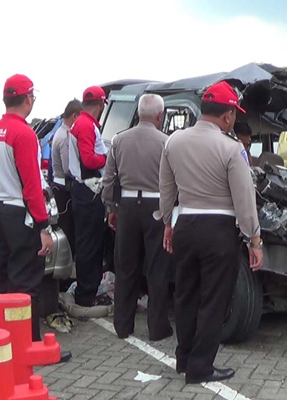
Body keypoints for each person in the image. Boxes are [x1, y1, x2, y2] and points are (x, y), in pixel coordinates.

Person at [159, 81, 263, 384]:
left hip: (186, 225)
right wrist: (254, 239)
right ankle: (201, 367)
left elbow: (166, 188)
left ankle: (184, 357)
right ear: (229, 116)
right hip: (218, 230)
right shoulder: (231, 148)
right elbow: (245, 199)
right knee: (214, 300)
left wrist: (168, 222)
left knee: (186, 295)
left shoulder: (174, 141)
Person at [0, 75, 72, 362]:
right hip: (20, 214)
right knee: (25, 284)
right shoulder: (24, 134)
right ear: (28, 99)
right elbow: (32, 185)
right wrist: (43, 225)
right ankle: (28, 347)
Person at [101, 94, 173, 341]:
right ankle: (158, 327)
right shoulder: (167, 142)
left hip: (128, 206)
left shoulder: (119, 140)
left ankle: (122, 324)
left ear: (138, 113)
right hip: (156, 206)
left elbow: (108, 178)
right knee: (157, 269)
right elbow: (172, 181)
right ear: (159, 116)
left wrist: (111, 207)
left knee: (125, 267)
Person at [68, 86, 110, 307]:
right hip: (88, 190)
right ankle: (86, 295)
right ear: (102, 104)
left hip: (82, 189)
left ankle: (86, 291)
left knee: (87, 243)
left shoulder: (81, 123)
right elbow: (89, 161)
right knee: (90, 245)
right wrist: (108, 158)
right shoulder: (86, 125)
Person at [51, 100, 82, 258]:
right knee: (67, 229)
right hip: (64, 188)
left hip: (61, 185)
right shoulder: (65, 137)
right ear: (75, 116)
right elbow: (68, 168)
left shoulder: (61, 133)